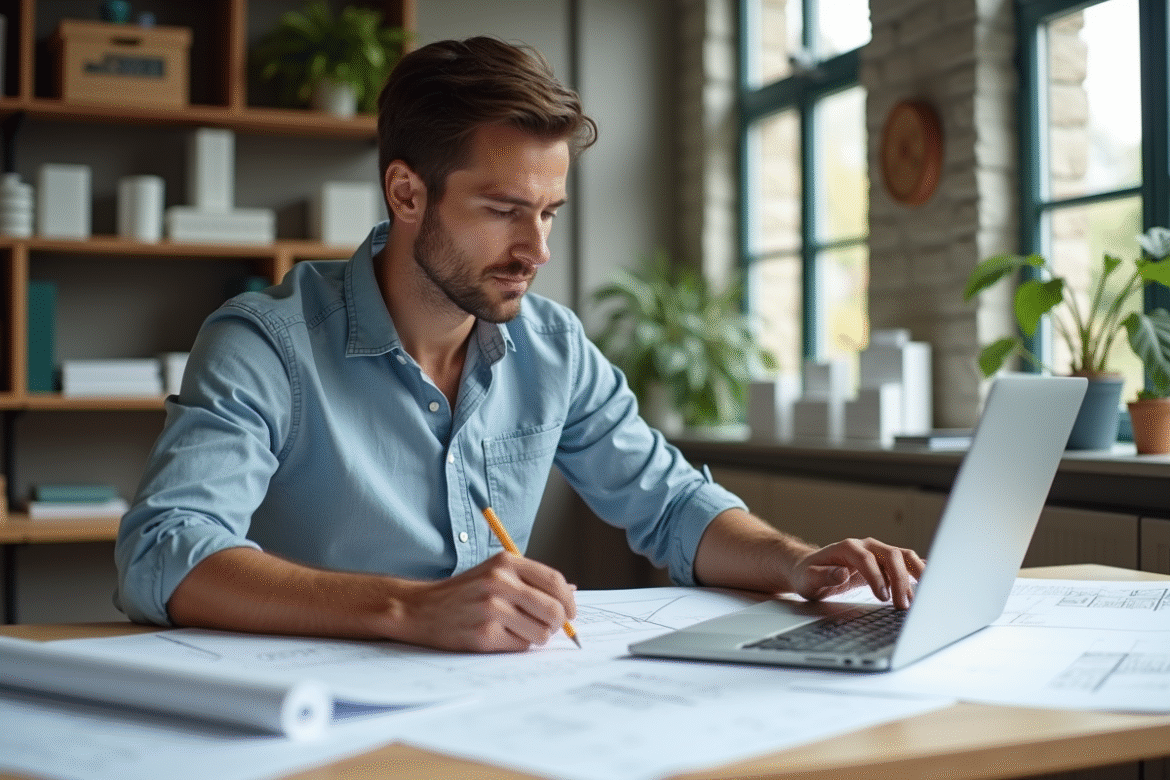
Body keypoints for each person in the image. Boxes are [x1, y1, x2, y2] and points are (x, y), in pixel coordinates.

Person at [115, 36, 924, 653]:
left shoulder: (552, 346)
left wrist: (796, 562)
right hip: (309, 723)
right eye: (503, 209)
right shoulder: (266, 343)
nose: (536, 250)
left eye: (549, 212)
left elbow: (673, 505)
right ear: (406, 192)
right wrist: (408, 607)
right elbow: (164, 551)